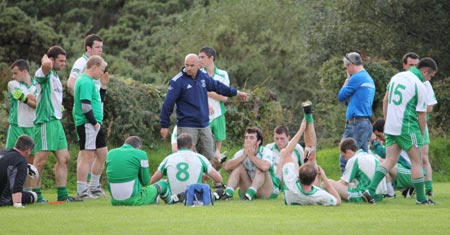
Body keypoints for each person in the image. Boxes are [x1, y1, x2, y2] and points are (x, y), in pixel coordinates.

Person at [362, 58, 437, 205]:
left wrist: (387, 121)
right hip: (408, 127)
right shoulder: (419, 86)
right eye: (430, 76)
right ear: (425, 72)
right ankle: (421, 199)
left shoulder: (397, 77)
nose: (429, 80)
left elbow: (385, 100)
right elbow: (422, 115)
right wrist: (421, 134)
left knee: (390, 160)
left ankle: (369, 190)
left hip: (391, 126)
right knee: (417, 162)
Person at [160, 54, 249, 169]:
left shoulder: (203, 77)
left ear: (199, 65)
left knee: (210, 157)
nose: (188, 68)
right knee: (189, 158)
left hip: (204, 125)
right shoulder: (177, 81)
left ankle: (215, 184)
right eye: (186, 65)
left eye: (192, 65)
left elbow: (218, 86)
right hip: (187, 126)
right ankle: (189, 185)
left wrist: (236, 93)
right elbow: (168, 104)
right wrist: (164, 125)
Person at [32, 46, 79, 202]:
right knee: (41, 160)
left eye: (65, 61)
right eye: (61, 61)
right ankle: (35, 196)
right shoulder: (43, 72)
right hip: (45, 121)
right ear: (52, 60)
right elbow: (45, 65)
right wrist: (46, 57)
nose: (64, 64)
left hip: (56, 122)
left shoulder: (56, 77)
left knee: (64, 158)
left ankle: (62, 195)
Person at [67, 34, 109, 197]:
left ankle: (94, 187)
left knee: (102, 153)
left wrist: (104, 87)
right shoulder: (84, 81)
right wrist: (93, 122)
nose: (102, 73)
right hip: (88, 123)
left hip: (95, 122)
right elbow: (85, 105)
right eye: (101, 70)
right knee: (87, 155)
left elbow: (97, 100)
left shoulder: (91, 82)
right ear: (94, 66)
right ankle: (82, 191)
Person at [279, 102, 340, 206]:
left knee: (306, 154)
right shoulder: (319, 194)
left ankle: (308, 115)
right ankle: (309, 116)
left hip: (296, 193)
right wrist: (325, 179)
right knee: (311, 155)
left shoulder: (290, 183)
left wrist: (301, 130)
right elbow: (337, 201)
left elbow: (286, 153)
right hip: (309, 194)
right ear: (315, 178)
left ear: (297, 175)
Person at [106, 136, 182, 206]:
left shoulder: (110, 153)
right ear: (138, 147)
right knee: (163, 184)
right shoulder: (141, 154)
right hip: (134, 200)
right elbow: (146, 182)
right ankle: (171, 201)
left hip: (114, 201)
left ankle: (154, 199)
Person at [337, 52, 375, 174]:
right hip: (366, 123)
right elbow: (350, 102)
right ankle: (367, 187)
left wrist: (347, 79)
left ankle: (346, 189)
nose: (347, 70)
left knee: (345, 156)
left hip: (356, 124)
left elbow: (341, 96)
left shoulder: (356, 78)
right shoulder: (368, 78)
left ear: (352, 65)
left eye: (347, 67)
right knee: (364, 159)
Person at [150, 133, 223, 195]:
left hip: (173, 198)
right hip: (193, 197)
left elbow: (152, 181)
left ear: (177, 147)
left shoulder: (168, 159)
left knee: (163, 182)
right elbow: (219, 179)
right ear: (192, 146)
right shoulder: (200, 158)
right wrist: (203, 177)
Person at [216, 127, 277, 200]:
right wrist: (244, 156)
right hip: (248, 187)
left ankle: (250, 194)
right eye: (246, 138)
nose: (248, 140)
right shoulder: (241, 152)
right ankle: (228, 193)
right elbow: (227, 167)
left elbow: (265, 167)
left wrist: (251, 156)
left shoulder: (265, 151)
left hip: (266, 191)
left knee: (261, 168)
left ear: (258, 141)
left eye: (251, 138)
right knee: (238, 166)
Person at [6, 59, 37, 192]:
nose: (13, 76)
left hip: (32, 126)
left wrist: (30, 99)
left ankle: (27, 191)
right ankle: (6, 190)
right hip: (16, 126)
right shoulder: (13, 84)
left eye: (15, 73)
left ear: (24, 72)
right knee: (9, 158)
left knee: (30, 161)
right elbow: (32, 102)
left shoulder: (37, 85)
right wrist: (31, 99)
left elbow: (35, 102)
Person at [329, 138, 386, 203]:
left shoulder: (354, 159)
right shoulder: (371, 157)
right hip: (379, 196)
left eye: (344, 156)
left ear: (348, 151)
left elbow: (343, 182)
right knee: (351, 184)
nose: (345, 159)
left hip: (365, 196)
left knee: (328, 183)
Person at [199, 47, 230, 161]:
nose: (200, 60)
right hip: (201, 114)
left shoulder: (223, 74)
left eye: (202, 57)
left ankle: (217, 177)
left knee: (217, 154)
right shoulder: (198, 73)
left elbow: (224, 97)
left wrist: (206, 92)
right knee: (202, 149)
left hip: (218, 114)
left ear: (211, 58)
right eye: (199, 57)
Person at [0, 135, 38, 207]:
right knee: (34, 196)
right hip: (2, 198)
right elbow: (17, 184)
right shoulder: (21, 161)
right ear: (28, 151)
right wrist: (17, 203)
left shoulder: (3, 152)